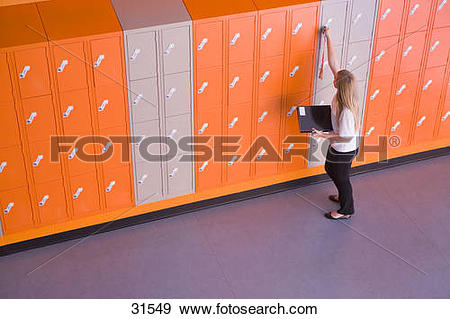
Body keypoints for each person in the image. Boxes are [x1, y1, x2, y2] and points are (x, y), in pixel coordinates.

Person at [312, 26, 360, 220]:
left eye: (336, 78)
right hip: (340, 146)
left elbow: (345, 135)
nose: (334, 75)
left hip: (344, 147)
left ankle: (346, 210)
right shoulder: (343, 93)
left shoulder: (346, 110)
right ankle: (342, 196)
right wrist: (328, 37)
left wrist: (323, 135)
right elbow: (333, 62)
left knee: (341, 177)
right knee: (332, 170)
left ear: (339, 84)